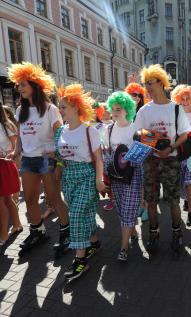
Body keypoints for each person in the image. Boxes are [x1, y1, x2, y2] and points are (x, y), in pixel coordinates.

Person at [6, 62, 70, 254]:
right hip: (28, 159)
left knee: (53, 199)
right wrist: (16, 151)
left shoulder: (50, 109)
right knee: (31, 198)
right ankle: (38, 231)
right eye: (19, 85)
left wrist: (58, 159)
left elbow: (60, 136)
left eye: (23, 84)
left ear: (35, 86)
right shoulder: (20, 110)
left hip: (47, 160)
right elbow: (21, 134)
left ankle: (66, 232)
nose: (19, 89)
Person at [133, 64, 191, 256]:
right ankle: (153, 234)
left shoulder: (176, 109)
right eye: (145, 84)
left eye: (151, 83)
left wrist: (171, 148)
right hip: (150, 161)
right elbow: (137, 135)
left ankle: (176, 232)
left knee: (173, 200)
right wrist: (152, 147)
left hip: (171, 161)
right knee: (151, 201)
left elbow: (184, 134)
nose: (148, 87)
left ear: (161, 83)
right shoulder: (143, 111)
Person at [55, 84, 106, 280]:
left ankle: (80, 260)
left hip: (86, 176)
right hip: (69, 177)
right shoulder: (60, 131)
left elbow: (99, 158)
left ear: (76, 108)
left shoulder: (89, 131)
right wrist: (58, 166)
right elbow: (60, 156)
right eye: (59, 106)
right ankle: (93, 243)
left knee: (75, 215)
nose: (60, 110)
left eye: (64, 107)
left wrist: (99, 180)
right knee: (85, 215)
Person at [105, 91, 142, 261]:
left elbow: (143, 153)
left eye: (118, 109)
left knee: (127, 209)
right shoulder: (108, 129)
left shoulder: (136, 128)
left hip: (133, 174)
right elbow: (107, 152)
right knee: (121, 208)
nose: (114, 112)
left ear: (127, 109)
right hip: (116, 175)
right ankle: (132, 232)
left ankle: (124, 248)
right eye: (112, 109)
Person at [170, 84, 191, 226]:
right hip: (179, 155)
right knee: (182, 184)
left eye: (188, 98)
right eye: (182, 98)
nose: (185, 101)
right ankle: (188, 202)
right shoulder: (175, 114)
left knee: (190, 183)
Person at [125, 83, 149, 221]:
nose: (136, 97)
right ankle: (139, 205)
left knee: (143, 181)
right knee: (135, 181)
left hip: (141, 149)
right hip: (128, 151)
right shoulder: (125, 111)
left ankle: (144, 206)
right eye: (132, 94)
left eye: (138, 95)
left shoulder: (143, 111)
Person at [0, 103, 22, 246]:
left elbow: (16, 147)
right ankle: (17, 224)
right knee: (7, 199)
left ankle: (3, 234)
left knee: (2, 201)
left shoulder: (7, 125)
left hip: (4, 165)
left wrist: (7, 154)